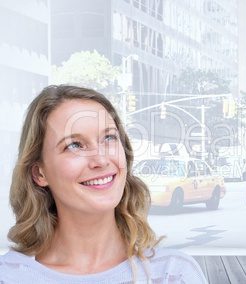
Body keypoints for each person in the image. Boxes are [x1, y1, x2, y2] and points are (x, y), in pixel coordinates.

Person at [0, 85, 207, 283]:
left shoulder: (174, 274)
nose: (100, 160)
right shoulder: (7, 276)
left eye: (109, 137)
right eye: (74, 145)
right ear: (39, 173)